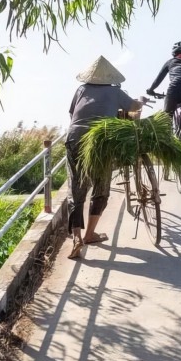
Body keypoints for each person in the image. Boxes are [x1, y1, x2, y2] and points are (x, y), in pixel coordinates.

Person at [66, 56, 144, 259]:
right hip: (102, 138)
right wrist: (141, 101)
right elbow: (134, 108)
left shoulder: (81, 89)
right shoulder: (115, 91)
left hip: (75, 138)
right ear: (110, 77)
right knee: (101, 187)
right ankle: (90, 234)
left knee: (76, 188)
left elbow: (72, 113)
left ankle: (76, 238)